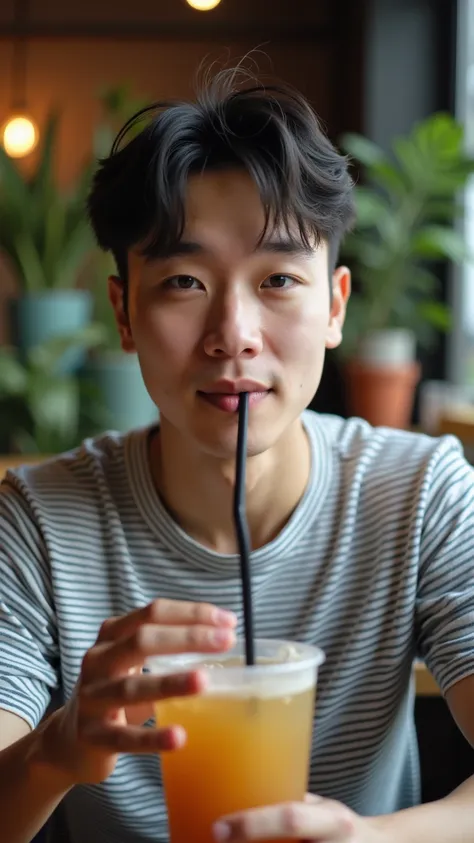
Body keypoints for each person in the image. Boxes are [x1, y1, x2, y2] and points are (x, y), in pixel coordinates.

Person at [1, 67, 474, 843]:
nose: (235, 334)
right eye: (184, 281)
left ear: (335, 306)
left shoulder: (419, 494)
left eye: (279, 279)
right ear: (123, 311)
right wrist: (57, 749)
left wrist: (373, 839)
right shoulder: (38, 522)